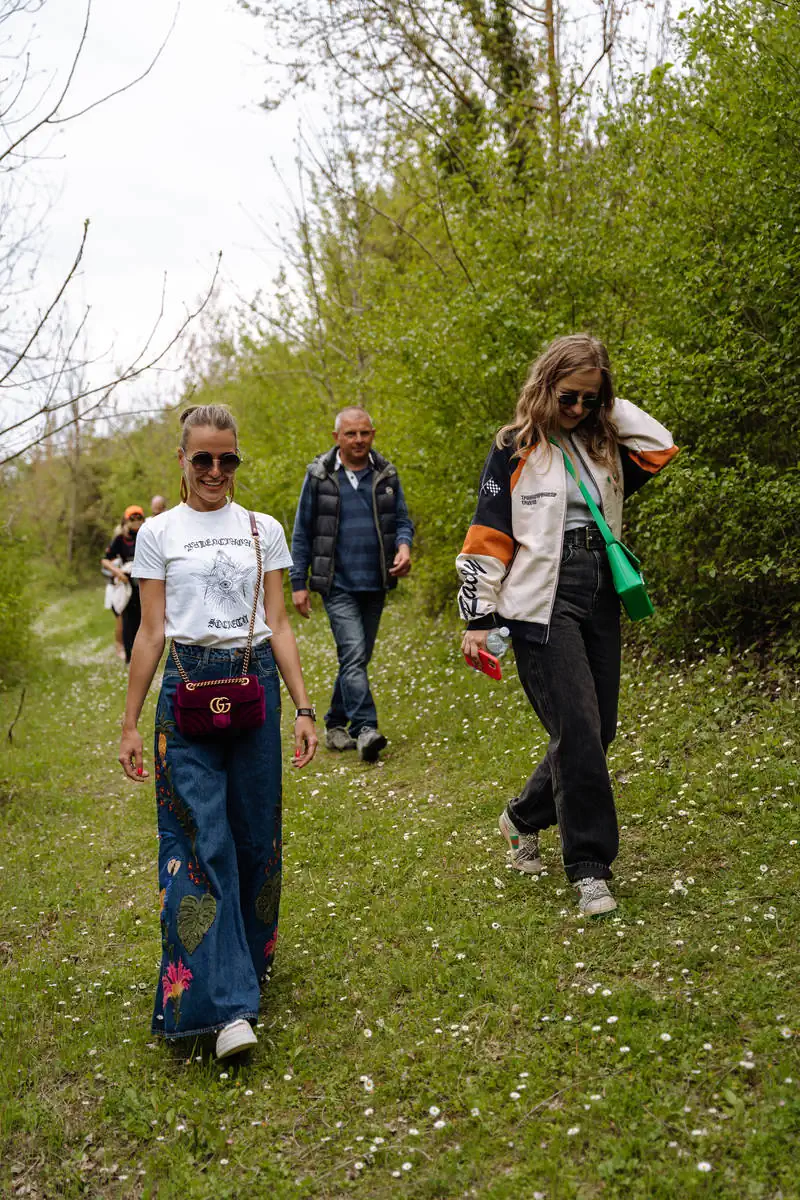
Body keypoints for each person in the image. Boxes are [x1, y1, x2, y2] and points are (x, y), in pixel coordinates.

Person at [117, 404, 318, 1059]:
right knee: (201, 844)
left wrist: (305, 707)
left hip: (253, 684)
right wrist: (128, 722)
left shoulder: (263, 528)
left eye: (226, 459)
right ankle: (228, 1009)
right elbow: (149, 631)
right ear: (182, 459)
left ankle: (245, 968)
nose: (214, 470)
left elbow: (279, 623)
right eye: (202, 458)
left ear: (236, 461)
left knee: (256, 838)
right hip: (186, 690)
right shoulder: (159, 534)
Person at [457, 334, 678, 916]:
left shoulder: (606, 442)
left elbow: (660, 445)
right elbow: (487, 535)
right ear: (544, 386)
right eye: (568, 397)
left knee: (598, 731)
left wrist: (608, 402)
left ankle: (523, 816)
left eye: (589, 399)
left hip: (602, 590)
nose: (577, 410)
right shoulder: (514, 447)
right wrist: (477, 618)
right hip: (539, 600)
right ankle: (589, 868)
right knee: (578, 729)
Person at [290, 406, 414, 762]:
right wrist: (299, 582)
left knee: (355, 658)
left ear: (372, 434)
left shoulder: (386, 474)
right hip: (337, 584)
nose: (358, 440)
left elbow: (402, 520)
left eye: (364, 433)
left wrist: (404, 546)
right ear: (337, 438)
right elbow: (302, 532)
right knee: (355, 655)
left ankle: (334, 724)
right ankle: (365, 728)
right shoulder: (319, 476)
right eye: (351, 434)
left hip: (376, 580)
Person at [101, 505, 145, 662]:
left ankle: (143, 656)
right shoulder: (120, 539)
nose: (136, 522)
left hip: (143, 582)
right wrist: (118, 573)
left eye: (139, 518)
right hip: (127, 583)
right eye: (132, 519)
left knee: (143, 620)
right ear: (126, 520)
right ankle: (129, 657)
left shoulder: (146, 534)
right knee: (127, 620)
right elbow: (105, 560)